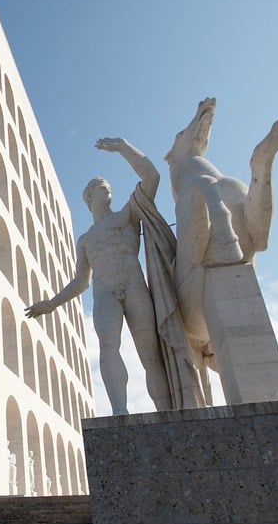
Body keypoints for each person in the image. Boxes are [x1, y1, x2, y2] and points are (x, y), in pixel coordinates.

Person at [26, 137, 172, 413]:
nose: (108, 193)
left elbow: (152, 177)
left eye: (108, 189)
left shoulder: (127, 215)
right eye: (103, 189)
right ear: (89, 198)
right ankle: (120, 411)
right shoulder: (85, 239)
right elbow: (81, 281)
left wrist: (124, 148)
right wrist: (53, 303)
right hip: (104, 292)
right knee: (108, 346)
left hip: (133, 283)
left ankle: (166, 413)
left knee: (150, 353)